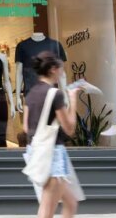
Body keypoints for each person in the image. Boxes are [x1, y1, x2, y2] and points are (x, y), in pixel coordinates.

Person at [23, 52, 84, 218]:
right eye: (60, 69)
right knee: (46, 211)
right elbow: (70, 129)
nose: (62, 74)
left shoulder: (30, 94)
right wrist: (72, 99)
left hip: (37, 151)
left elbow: (25, 127)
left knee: (70, 202)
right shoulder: (55, 94)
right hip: (52, 154)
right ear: (52, 69)